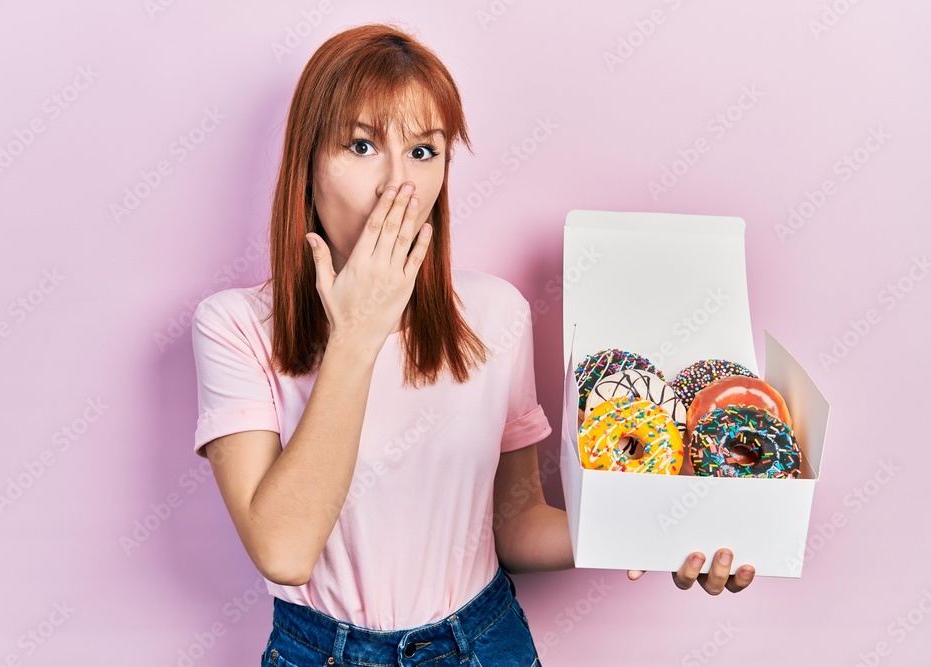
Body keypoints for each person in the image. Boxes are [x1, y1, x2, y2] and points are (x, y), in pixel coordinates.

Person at [191, 22, 755, 667]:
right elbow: (284, 551)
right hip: (320, 651)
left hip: (482, 644)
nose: (395, 186)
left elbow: (515, 527)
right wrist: (357, 336)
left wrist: (661, 527)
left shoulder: (494, 314)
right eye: (361, 145)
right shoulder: (234, 325)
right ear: (307, 163)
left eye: (424, 152)